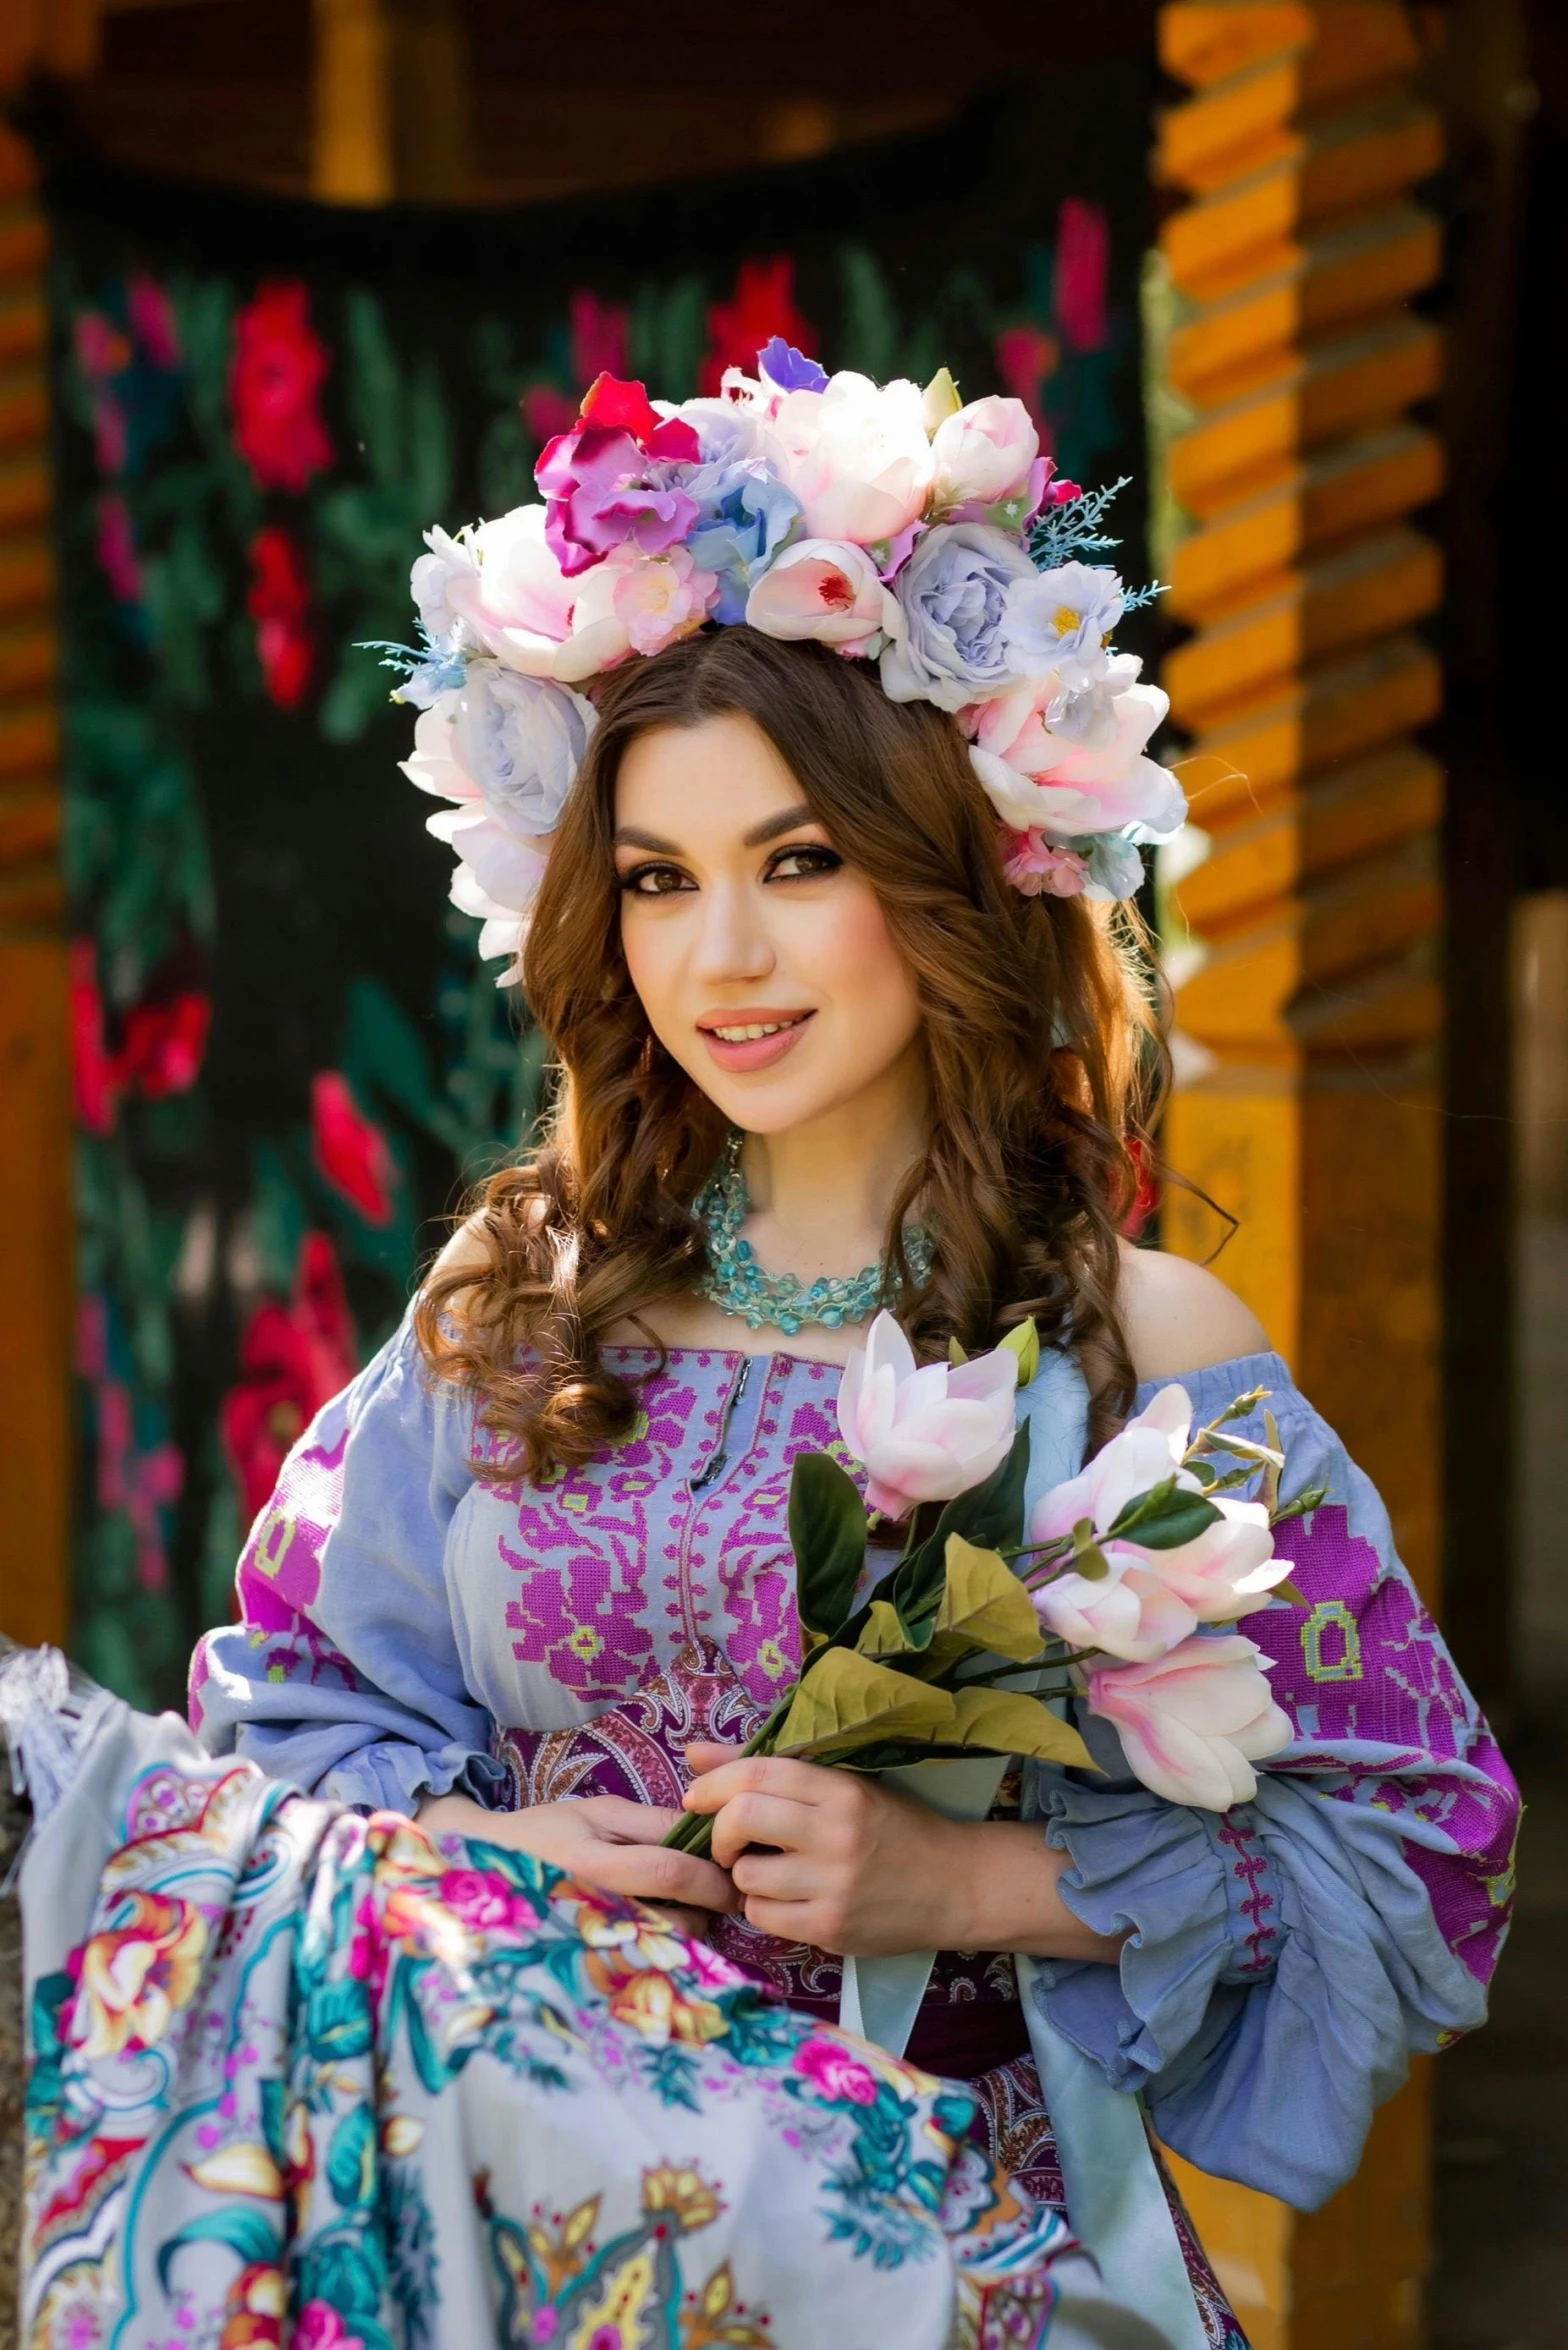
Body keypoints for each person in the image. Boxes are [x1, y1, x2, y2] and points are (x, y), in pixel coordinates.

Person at [186, 357, 1517, 2350]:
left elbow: (1423, 1848)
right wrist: (474, 1851)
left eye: (796, 861)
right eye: (658, 877)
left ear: (953, 863)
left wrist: (965, 1882)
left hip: (951, 2270)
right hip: (502, 2260)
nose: (719, 954)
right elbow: (268, 1734)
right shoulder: (512, 1312)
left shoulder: (1136, 1351)